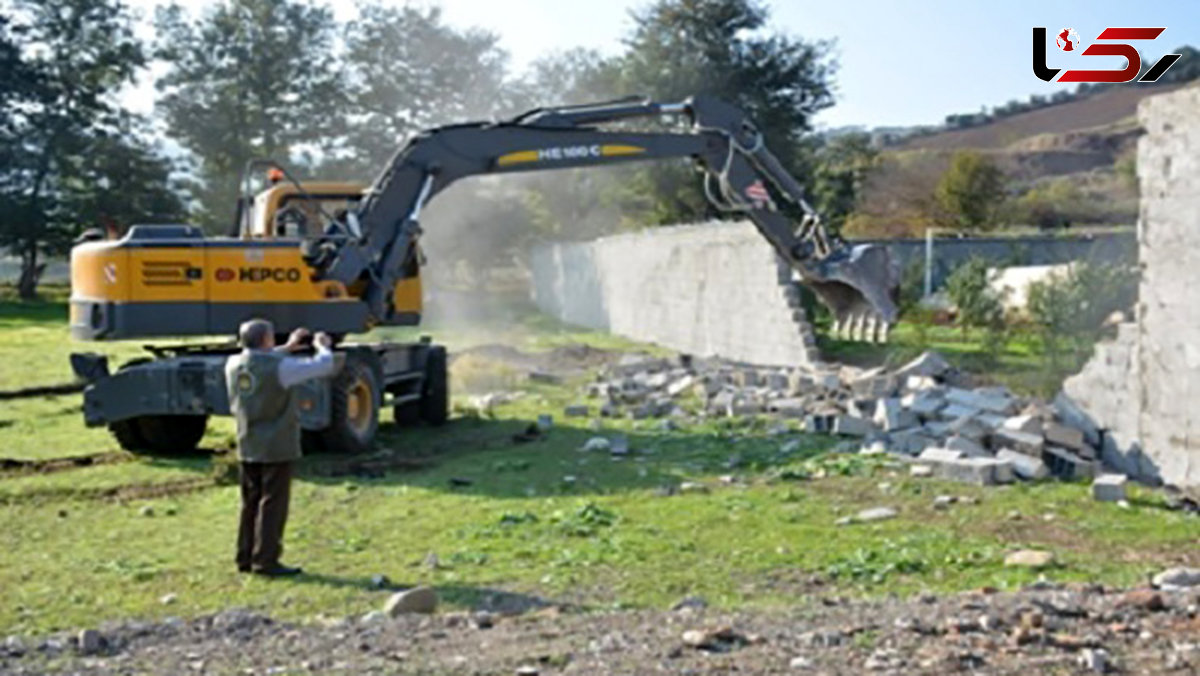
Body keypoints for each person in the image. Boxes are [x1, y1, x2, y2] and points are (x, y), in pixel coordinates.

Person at [225, 319, 336, 576]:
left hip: (248, 440)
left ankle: (245, 556)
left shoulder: (233, 364)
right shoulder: (281, 368)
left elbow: (261, 360)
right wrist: (322, 346)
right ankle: (266, 560)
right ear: (266, 340)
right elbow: (323, 366)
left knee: (250, 502)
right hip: (276, 443)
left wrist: (288, 346)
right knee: (273, 502)